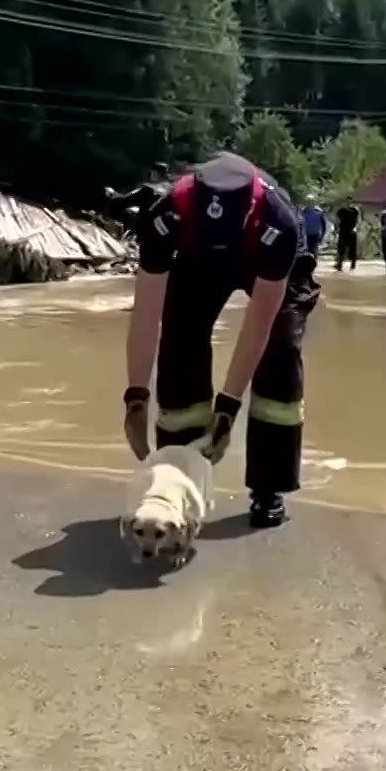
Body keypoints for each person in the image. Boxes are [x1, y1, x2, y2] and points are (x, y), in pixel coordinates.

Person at [123, 152, 319, 528]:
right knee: (180, 345)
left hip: (263, 259)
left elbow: (258, 325)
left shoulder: (278, 221)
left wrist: (228, 406)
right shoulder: (166, 216)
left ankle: (268, 487)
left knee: (279, 351)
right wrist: (135, 398)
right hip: (195, 261)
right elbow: (146, 314)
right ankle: (176, 481)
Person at [334, 203, 360, 272]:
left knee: (351, 249)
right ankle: (340, 264)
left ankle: (352, 264)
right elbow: (337, 220)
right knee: (342, 248)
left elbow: (358, 220)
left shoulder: (355, 210)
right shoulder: (342, 210)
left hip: (350, 231)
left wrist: (356, 228)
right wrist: (336, 229)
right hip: (344, 231)